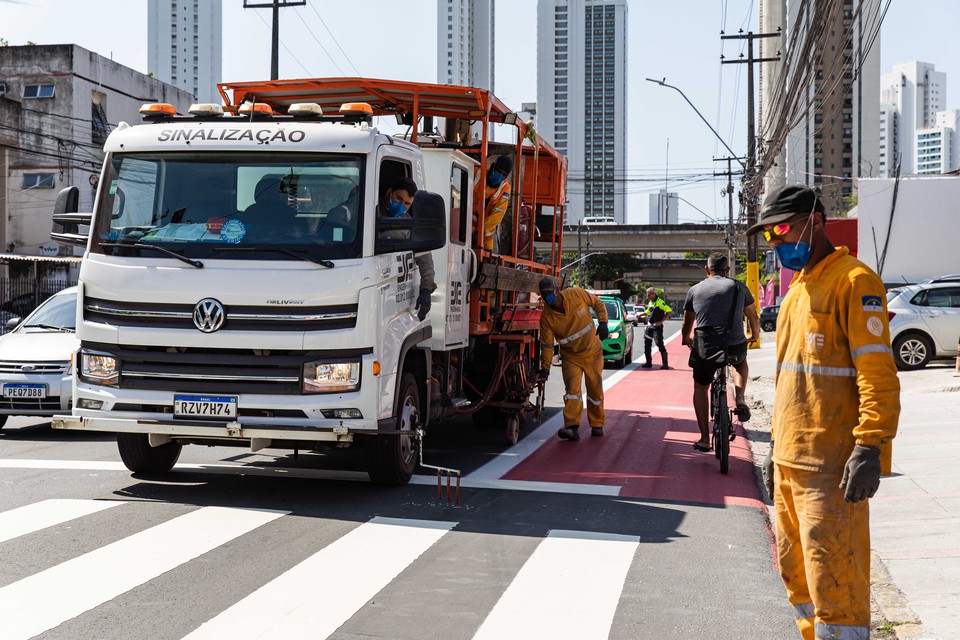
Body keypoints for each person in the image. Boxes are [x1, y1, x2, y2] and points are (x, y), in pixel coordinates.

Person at [751, 185, 900, 640]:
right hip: (793, 459)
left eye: (780, 228)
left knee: (836, 579)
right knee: (798, 577)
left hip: (832, 463)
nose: (774, 241)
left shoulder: (854, 282)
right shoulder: (797, 291)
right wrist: (777, 447)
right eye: (768, 235)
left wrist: (870, 444)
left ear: (815, 220)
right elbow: (793, 380)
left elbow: (878, 372)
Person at [680, 252, 760, 452]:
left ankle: (705, 439)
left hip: (705, 346)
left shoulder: (694, 290)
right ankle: (740, 398)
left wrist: (686, 339)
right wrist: (754, 336)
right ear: (728, 270)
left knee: (700, 386)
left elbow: (687, 323)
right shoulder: (739, 287)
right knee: (740, 362)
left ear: (707, 270)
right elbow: (753, 316)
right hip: (734, 344)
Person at [537, 278, 609, 440]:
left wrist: (603, 322)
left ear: (556, 290)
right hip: (570, 357)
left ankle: (597, 424)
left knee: (594, 389)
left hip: (592, 353)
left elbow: (597, 303)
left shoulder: (575, 294)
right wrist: (545, 367)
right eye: (544, 294)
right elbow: (547, 345)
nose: (547, 296)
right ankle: (572, 427)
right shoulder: (547, 318)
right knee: (572, 393)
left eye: (549, 292)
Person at [377, 177, 436, 321]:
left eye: (407, 204)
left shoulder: (407, 226)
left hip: (388, 298)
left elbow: (425, 258)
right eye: (398, 198)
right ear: (389, 192)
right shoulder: (369, 212)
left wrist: (426, 290)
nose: (401, 206)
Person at [476, 155, 513, 251]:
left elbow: (497, 215)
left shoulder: (505, 188)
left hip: (484, 229)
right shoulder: (477, 174)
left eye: (504, 175)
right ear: (493, 167)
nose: (500, 176)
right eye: (499, 171)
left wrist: (487, 249)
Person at [641, 287, 672, 369]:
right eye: (647, 294)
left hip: (657, 327)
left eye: (649, 294)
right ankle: (648, 362)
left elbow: (669, 311)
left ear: (653, 294)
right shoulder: (650, 302)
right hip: (649, 326)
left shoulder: (660, 302)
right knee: (647, 345)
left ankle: (665, 364)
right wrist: (639, 315)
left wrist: (661, 321)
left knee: (659, 344)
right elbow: (648, 311)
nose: (647, 296)